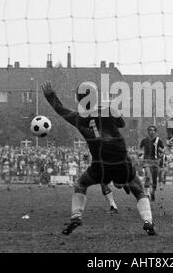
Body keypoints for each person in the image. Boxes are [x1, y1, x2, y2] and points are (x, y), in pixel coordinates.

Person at [42, 81, 155, 235]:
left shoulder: (78, 117)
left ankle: (76, 216)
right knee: (139, 190)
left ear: (79, 99)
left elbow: (60, 110)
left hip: (100, 163)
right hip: (120, 159)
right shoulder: (108, 110)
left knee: (81, 184)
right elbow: (121, 124)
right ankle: (148, 221)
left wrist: (51, 96)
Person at [139, 125, 164, 201]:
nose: (151, 131)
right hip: (146, 161)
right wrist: (140, 153)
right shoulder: (144, 140)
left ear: (155, 132)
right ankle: (147, 194)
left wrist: (161, 154)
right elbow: (140, 148)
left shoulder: (159, 140)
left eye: (153, 130)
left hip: (155, 161)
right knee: (148, 176)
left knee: (154, 179)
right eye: (150, 130)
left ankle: (153, 192)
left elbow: (163, 151)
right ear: (148, 131)